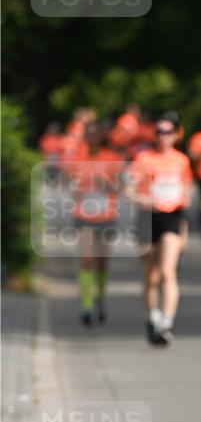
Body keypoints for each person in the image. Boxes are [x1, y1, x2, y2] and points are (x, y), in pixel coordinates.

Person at [127, 113, 192, 346]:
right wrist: (144, 198)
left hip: (172, 217)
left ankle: (166, 323)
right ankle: (152, 314)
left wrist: (185, 199)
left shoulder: (181, 160)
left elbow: (186, 191)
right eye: (159, 132)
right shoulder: (143, 158)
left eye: (167, 132)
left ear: (175, 135)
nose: (163, 136)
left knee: (167, 271)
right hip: (148, 216)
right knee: (151, 276)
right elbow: (128, 190)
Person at [65, 122, 120, 325]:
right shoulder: (77, 158)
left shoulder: (111, 158)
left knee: (101, 262)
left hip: (106, 216)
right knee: (86, 260)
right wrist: (76, 186)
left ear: (101, 137)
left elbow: (119, 186)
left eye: (96, 135)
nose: (92, 139)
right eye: (89, 135)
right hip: (83, 215)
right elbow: (67, 181)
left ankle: (100, 298)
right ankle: (87, 305)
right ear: (85, 138)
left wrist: (104, 184)